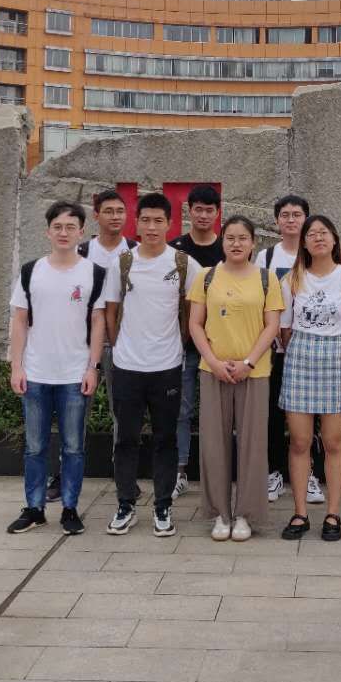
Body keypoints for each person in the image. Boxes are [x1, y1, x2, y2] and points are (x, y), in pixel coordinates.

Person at [102, 193, 202, 538]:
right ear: (137, 222)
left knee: (165, 439)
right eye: (145, 220)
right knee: (126, 439)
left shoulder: (184, 264)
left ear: (170, 224)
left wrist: (180, 344)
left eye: (159, 220)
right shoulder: (122, 263)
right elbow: (111, 311)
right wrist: (119, 347)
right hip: (127, 366)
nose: (152, 227)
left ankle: (162, 506)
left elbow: (194, 311)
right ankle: (125, 504)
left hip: (168, 366)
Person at [5, 201, 105, 536]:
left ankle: (70, 508)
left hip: (74, 374)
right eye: (58, 227)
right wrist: (16, 366)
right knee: (35, 447)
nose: (64, 233)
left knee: (73, 447)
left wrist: (92, 367)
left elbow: (98, 322)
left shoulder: (93, 273)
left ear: (81, 232)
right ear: (48, 231)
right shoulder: (31, 271)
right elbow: (20, 321)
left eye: (70, 227)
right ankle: (34, 508)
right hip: (35, 373)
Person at [189, 215, 285, 542]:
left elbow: (272, 326)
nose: (236, 243)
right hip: (213, 370)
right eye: (230, 237)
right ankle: (220, 513)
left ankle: (245, 514)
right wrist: (214, 362)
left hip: (254, 372)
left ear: (253, 242)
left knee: (253, 444)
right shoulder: (206, 277)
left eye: (243, 238)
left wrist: (248, 362)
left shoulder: (266, 279)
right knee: (214, 443)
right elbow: (195, 324)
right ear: (222, 241)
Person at [279, 215, 341, 541]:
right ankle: (300, 513)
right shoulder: (292, 279)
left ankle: (333, 513)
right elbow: (285, 329)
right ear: (304, 242)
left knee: (333, 442)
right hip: (300, 360)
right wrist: (301, 351)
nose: (318, 238)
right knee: (299, 441)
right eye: (312, 234)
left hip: (339, 362)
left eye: (324, 233)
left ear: (334, 239)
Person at [46, 189, 133, 503]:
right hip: (82, 345)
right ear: (96, 216)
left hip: (123, 345)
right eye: (108, 211)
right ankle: (64, 476)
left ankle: (123, 477)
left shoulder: (135, 252)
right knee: (74, 413)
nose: (115, 217)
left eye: (120, 211)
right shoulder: (81, 251)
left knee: (122, 413)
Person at [256, 194, 321, 505]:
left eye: (297, 214)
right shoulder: (266, 257)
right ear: (277, 220)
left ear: (306, 219)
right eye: (285, 215)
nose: (291, 220)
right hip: (273, 352)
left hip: (309, 352)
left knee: (310, 415)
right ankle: (273, 472)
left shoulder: (316, 255)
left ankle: (309, 475)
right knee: (272, 414)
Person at [169, 184, 224, 501]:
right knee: (182, 410)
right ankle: (180, 472)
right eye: (198, 209)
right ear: (189, 211)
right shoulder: (175, 250)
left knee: (218, 414)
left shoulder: (227, 248)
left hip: (221, 346)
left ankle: (217, 474)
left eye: (209, 209)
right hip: (183, 346)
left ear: (217, 212)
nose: (203, 215)